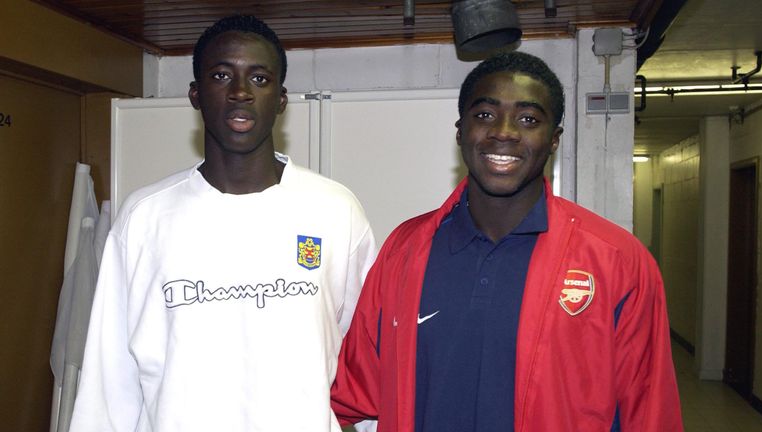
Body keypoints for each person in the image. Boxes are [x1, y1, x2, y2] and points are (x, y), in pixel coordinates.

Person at [332, 51, 683, 432]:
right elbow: (354, 387)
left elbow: (650, 411)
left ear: (553, 140)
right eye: (484, 115)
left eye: (529, 119)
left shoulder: (617, 260)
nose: (504, 131)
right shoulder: (405, 249)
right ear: (460, 131)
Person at [70, 15, 376, 432]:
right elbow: (109, 383)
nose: (240, 93)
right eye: (221, 75)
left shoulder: (335, 210)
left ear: (281, 99)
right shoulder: (145, 217)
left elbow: (365, 363)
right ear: (195, 95)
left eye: (260, 78)